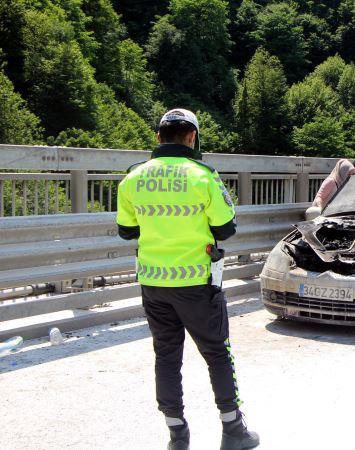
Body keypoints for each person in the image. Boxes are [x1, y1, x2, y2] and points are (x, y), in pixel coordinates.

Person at [116, 108, 259, 450]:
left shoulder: (133, 178)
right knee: (217, 353)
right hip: (196, 282)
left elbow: (126, 231)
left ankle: (177, 435)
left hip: (153, 283)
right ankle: (233, 431)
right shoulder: (203, 177)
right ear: (193, 137)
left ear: (158, 138)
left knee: (166, 356)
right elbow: (226, 229)